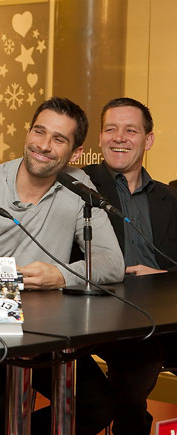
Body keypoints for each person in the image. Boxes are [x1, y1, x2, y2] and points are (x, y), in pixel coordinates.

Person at [0, 97, 124, 434]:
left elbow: (112, 262)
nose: (43, 145)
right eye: (39, 132)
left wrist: (60, 275)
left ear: (76, 153)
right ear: (28, 132)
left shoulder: (77, 186)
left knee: (98, 405)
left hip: (46, 334)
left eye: (58, 139)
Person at [79, 97, 177, 435]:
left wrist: (162, 276)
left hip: (165, 314)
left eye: (130, 130)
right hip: (104, 314)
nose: (119, 137)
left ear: (148, 140)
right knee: (141, 359)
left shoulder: (169, 198)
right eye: (111, 129)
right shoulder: (79, 187)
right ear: (100, 138)